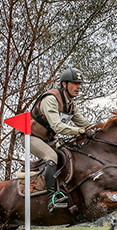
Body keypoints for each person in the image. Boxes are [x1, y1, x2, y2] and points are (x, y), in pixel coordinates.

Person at [30, 67, 92, 212]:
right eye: (74, 83)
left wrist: (101, 130)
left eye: (80, 84)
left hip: (50, 140)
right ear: (64, 84)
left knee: (71, 154)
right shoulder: (51, 99)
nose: (78, 87)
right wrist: (82, 131)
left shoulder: (71, 105)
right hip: (32, 138)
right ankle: (52, 198)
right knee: (52, 157)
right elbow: (57, 126)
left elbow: (85, 124)